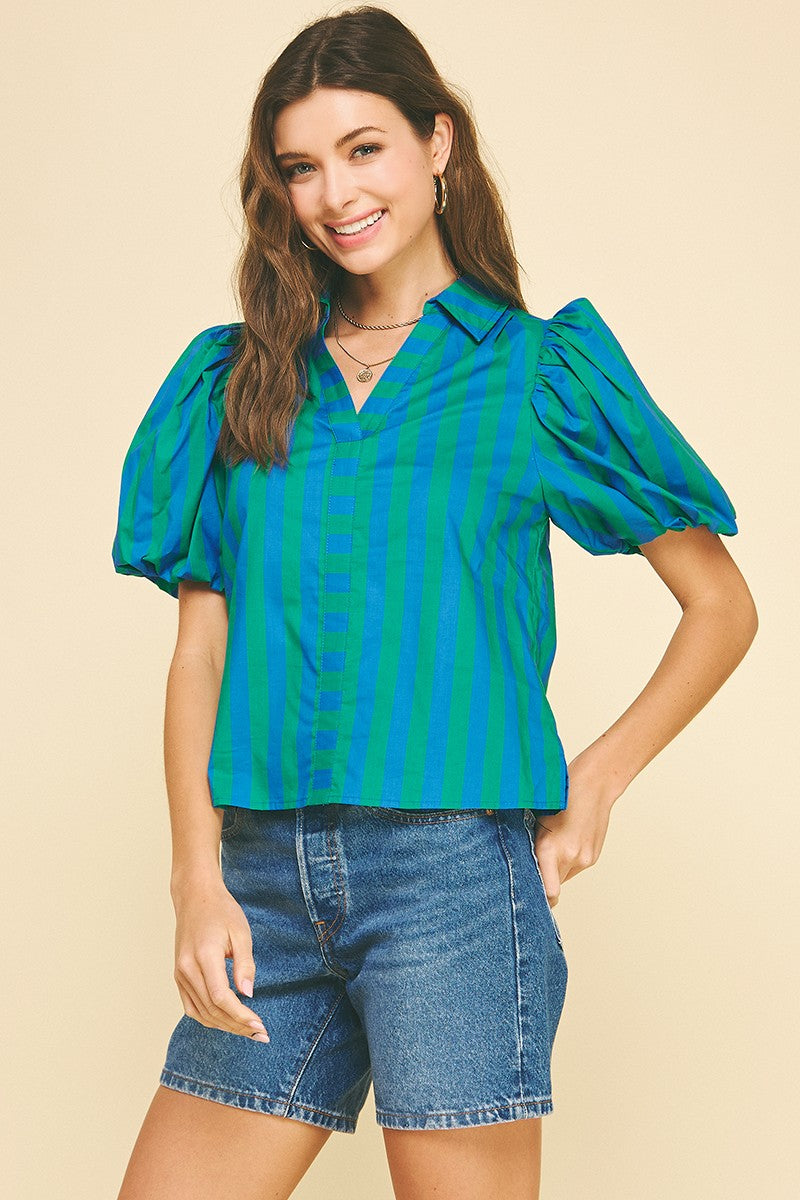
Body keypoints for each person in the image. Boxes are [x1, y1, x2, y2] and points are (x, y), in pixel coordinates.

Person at [110, 6, 758, 1199]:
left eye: (364, 148)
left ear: (436, 144)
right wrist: (195, 879)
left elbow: (720, 609)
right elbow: (200, 651)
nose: (334, 193)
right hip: (259, 880)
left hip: (451, 883)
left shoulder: (534, 375)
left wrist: (592, 785)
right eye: (301, 166)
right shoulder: (240, 377)